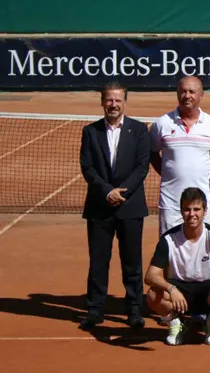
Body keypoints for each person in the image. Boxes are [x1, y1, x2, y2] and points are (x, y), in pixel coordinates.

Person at [79, 82, 150, 330]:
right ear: (102, 102)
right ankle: (95, 310)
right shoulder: (90, 132)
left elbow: (142, 166)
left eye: (118, 100)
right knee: (98, 261)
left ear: (125, 102)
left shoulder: (139, 130)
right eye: (109, 100)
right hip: (100, 206)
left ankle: (134, 310)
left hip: (130, 207)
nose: (113, 104)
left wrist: (122, 192)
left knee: (132, 261)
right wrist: (107, 191)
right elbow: (87, 167)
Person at [144, 188, 210, 346]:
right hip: (180, 292)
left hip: (208, 292)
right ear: (181, 211)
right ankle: (176, 323)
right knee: (153, 295)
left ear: (205, 211)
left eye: (196, 209)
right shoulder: (169, 239)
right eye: (187, 209)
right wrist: (171, 289)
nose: (192, 214)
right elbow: (150, 276)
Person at [150, 76, 210, 235]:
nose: (187, 96)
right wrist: (168, 172)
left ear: (201, 95)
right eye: (183, 91)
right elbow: (152, 153)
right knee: (170, 247)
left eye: (192, 92)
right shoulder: (161, 124)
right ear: (177, 93)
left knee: (203, 248)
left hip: (202, 204)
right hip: (171, 205)